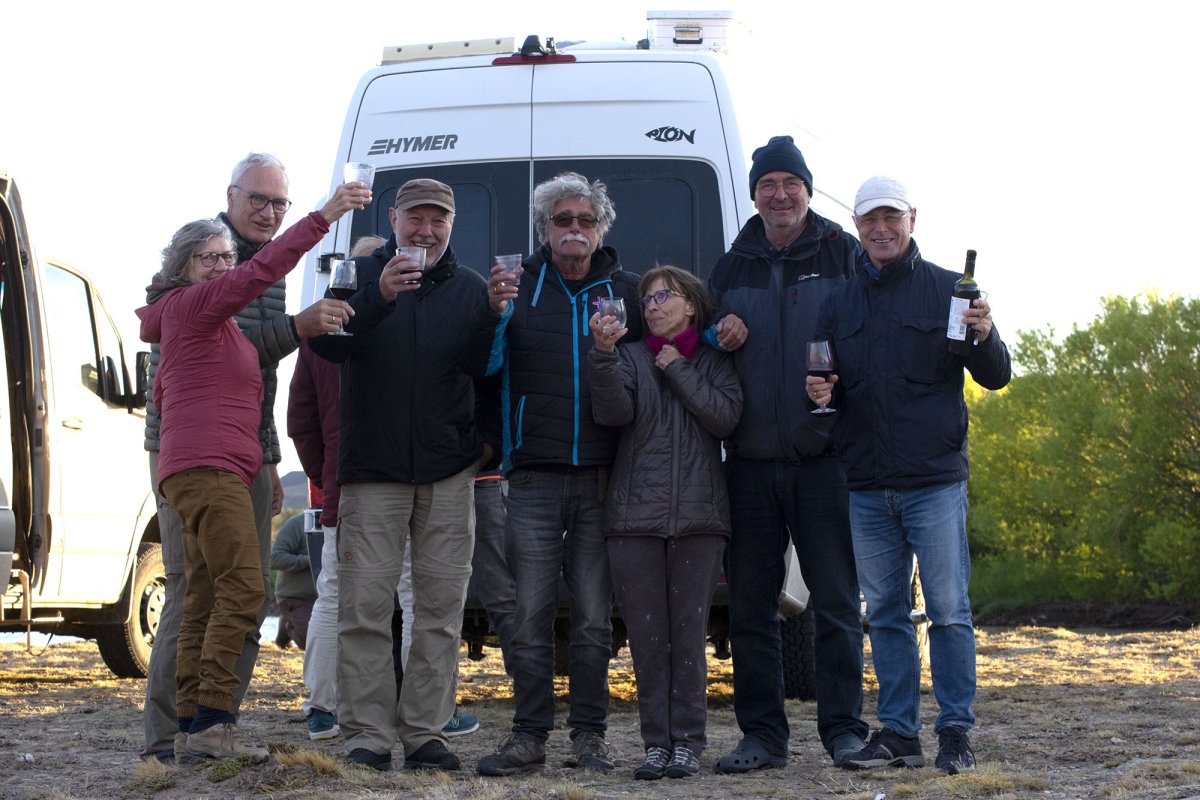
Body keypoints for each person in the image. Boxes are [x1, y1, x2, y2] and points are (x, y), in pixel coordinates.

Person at [136, 182, 364, 761]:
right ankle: (214, 723)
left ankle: (190, 726)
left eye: (225, 257)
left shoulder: (205, 324)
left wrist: (249, 450)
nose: (222, 266)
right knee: (244, 588)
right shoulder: (198, 305)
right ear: (183, 268)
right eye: (208, 258)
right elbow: (264, 268)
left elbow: (164, 392)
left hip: (204, 468)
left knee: (206, 594)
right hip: (210, 468)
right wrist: (324, 216)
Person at [811, 176, 1011, 774]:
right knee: (886, 616)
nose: (880, 229)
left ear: (912, 220)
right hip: (867, 486)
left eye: (890, 217)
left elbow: (997, 375)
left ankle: (955, 733)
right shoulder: (838, 303)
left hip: (935, 484)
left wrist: (985, 334)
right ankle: (899, 732)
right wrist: (818, 396)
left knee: (948, 611)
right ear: (857, 227)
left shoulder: (951, 290)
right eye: (870, 219)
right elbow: (824, 393)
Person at [309, 179, 497, 772]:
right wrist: (379, 296)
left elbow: (488, 372)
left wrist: (485, 448)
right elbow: (328, 349)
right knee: (364, 608)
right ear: (392, 219)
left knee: (440, 611)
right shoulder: (356, 276)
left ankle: (424, 734)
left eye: (438, 220)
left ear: (451, 225)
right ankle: (367, 735)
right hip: (372, 473)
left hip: (448, 473)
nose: (426, 230)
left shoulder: (472, 290)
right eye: (416, 217)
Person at [707, 135, 869, 772]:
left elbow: (873, 337)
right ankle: (763, 737)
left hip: (824, 458)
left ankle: (844, 731)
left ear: (807, 189)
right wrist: (716, 333)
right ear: (754, 195)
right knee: (750, 608)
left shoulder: (844, 253)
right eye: (768, 185)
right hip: (748, 461)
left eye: (790, 184)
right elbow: (690, 333)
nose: (779, 195)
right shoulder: (732, 264)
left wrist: (844, 385)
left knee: (835, 603)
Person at [475, 172, 643, 777]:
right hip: (533, 478)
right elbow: (485, 365)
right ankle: (528, 737)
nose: (574, 228)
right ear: (545, 229)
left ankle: (590, 738)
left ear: (601, 229)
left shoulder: (626, 291)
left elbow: (666, 350)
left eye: (585, 220)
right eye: (562, 219)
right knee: (529, 615)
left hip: (603, 477)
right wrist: (495, 314)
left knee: (595, 617)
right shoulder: (516, 286)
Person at [588, 265, 742, 780]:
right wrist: (603, 356)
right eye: (646, 299)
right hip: (634, 519)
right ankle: (656, 744)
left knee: (689, 635)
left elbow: (725, 418)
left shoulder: (716, 360)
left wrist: (678, 367)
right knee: (648, 640)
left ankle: (688, 744)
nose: (652, 306)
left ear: (691, 305)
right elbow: (612, 413)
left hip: (700, 518)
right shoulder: (630, 356)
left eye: (664, 297)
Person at [270, 514, 317, 649]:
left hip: (332, 598)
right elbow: (274, 559)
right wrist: (311, 560)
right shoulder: (297, 524)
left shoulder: (348, 521)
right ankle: (288, 625)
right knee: (313, 643)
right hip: (297, 596)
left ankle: (290, 619)